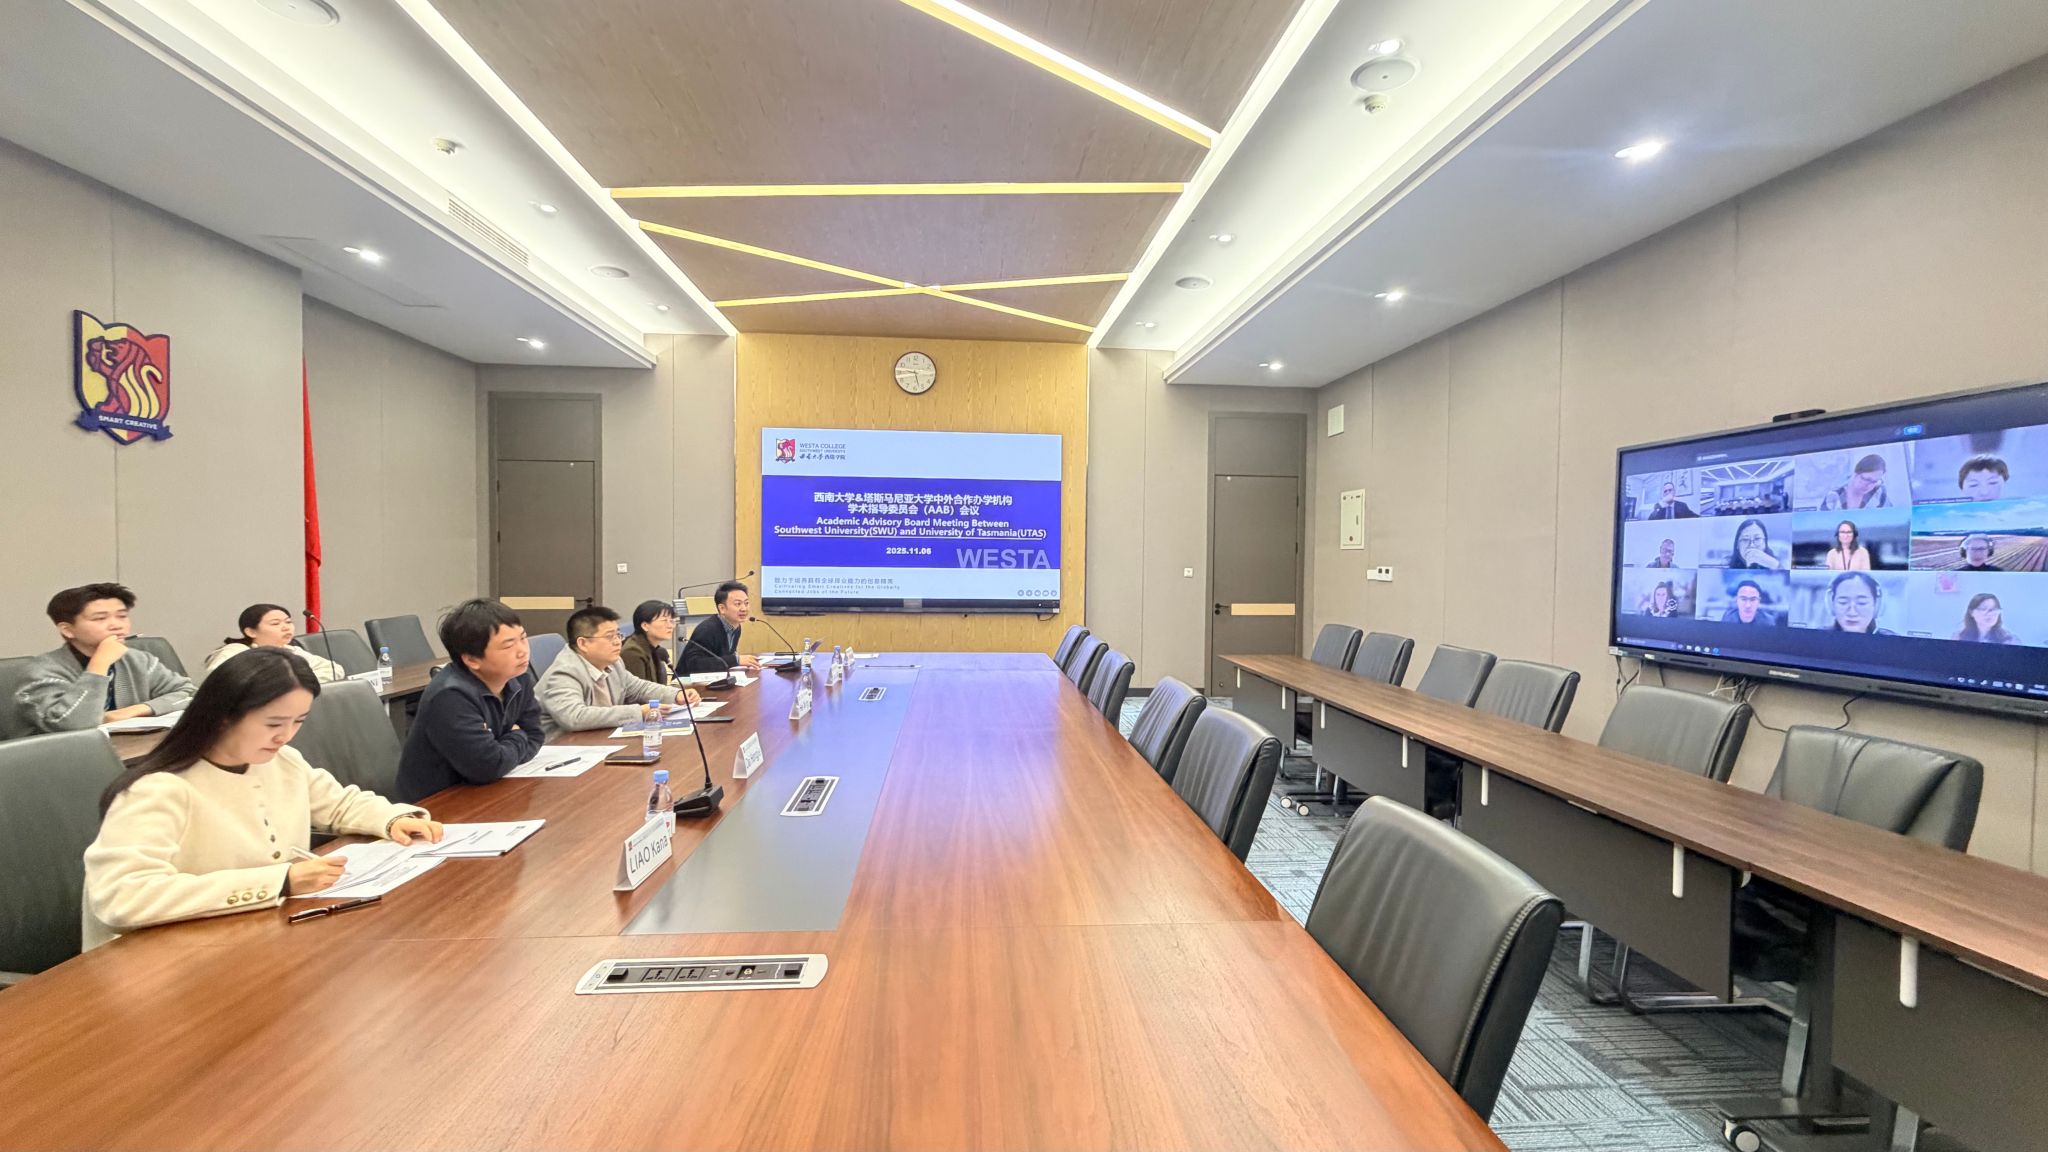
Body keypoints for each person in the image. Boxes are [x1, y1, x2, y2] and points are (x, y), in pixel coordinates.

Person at [81, 648, 441, 950]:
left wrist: (391, 819)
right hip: (163, 960)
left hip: (253, 938)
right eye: (273, 724)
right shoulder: (158, 789)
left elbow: (338, 804)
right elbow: (122, 896)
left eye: (298, 721)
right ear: (223, 716)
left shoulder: (281, 762)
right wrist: (280, 881)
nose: (286, 736)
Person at [394, 599, 544, 803]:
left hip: (489, 790)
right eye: (508, 645)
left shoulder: (518, 678)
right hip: (438, 804)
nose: (523, 651)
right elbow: (487, 766)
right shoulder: (450, 696)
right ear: (472, 660)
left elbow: (535, 736)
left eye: (523, 638)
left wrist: (504, 750)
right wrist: (517, 736)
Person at [16, 582, 193, 733]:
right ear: (67, 630)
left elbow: (190, 694)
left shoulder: (139, 660)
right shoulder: (41, 671)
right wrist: (100, 664)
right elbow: (72, 725)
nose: (116, 625)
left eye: (122, 616)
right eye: (100, 618)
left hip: (129, 749)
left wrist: (134, 711)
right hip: (65, 756)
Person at [536, 606, 699, 739]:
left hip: (597, 739)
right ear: (583, 643)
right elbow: (575, 717)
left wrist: (676, 695)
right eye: (609, 637)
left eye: (618, 635)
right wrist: (638, 712)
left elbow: (638, 688)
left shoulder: (613, 662)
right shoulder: (564, 672)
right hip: (562, 749)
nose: (617, 642)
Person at [202, 604, 344, 682]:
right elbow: (223, 682)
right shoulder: (234, 651)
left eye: (288, 622)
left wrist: (295, 684)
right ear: (251, 631)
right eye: (275, 623)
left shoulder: (290, 650)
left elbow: (334, 670)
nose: (286, 627)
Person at [683, 581, 763, 674]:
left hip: (716, 677)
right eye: (738, 604)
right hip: (687, 680)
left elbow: (725, 657)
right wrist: (736, 660)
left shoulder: (736, 627)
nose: (744, 608)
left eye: (746, 603)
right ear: (722, 608)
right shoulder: (707, 629)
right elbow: (694, 664)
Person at [621, 600, 679, 685]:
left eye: (671, 621)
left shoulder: (655, 650)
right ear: (645, 626)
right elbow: (639, 690)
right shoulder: (632, 652)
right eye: (664, 620)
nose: (670, 626)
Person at [1826, 572, 1893, 634]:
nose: (1852, 613)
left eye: (1862, 603)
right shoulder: (1821, 636)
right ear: (1832, 605)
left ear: (1876, 605)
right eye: (1843, 602)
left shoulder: (1890, 640)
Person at [1821, 453, 1892, 510]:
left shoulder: (1879, 493)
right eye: (1866, 479)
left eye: (1874, 481)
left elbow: (1891, 518)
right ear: (1855, 474)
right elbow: (1822, 522)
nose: (1869, 485)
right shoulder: (1833, 495)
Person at [1952, 593, 2019, 644]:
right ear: (1971, 612)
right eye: (1983, 609)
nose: (1989, 614)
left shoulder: (2010, 640)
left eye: (1994, 609)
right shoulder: (1958, 637)